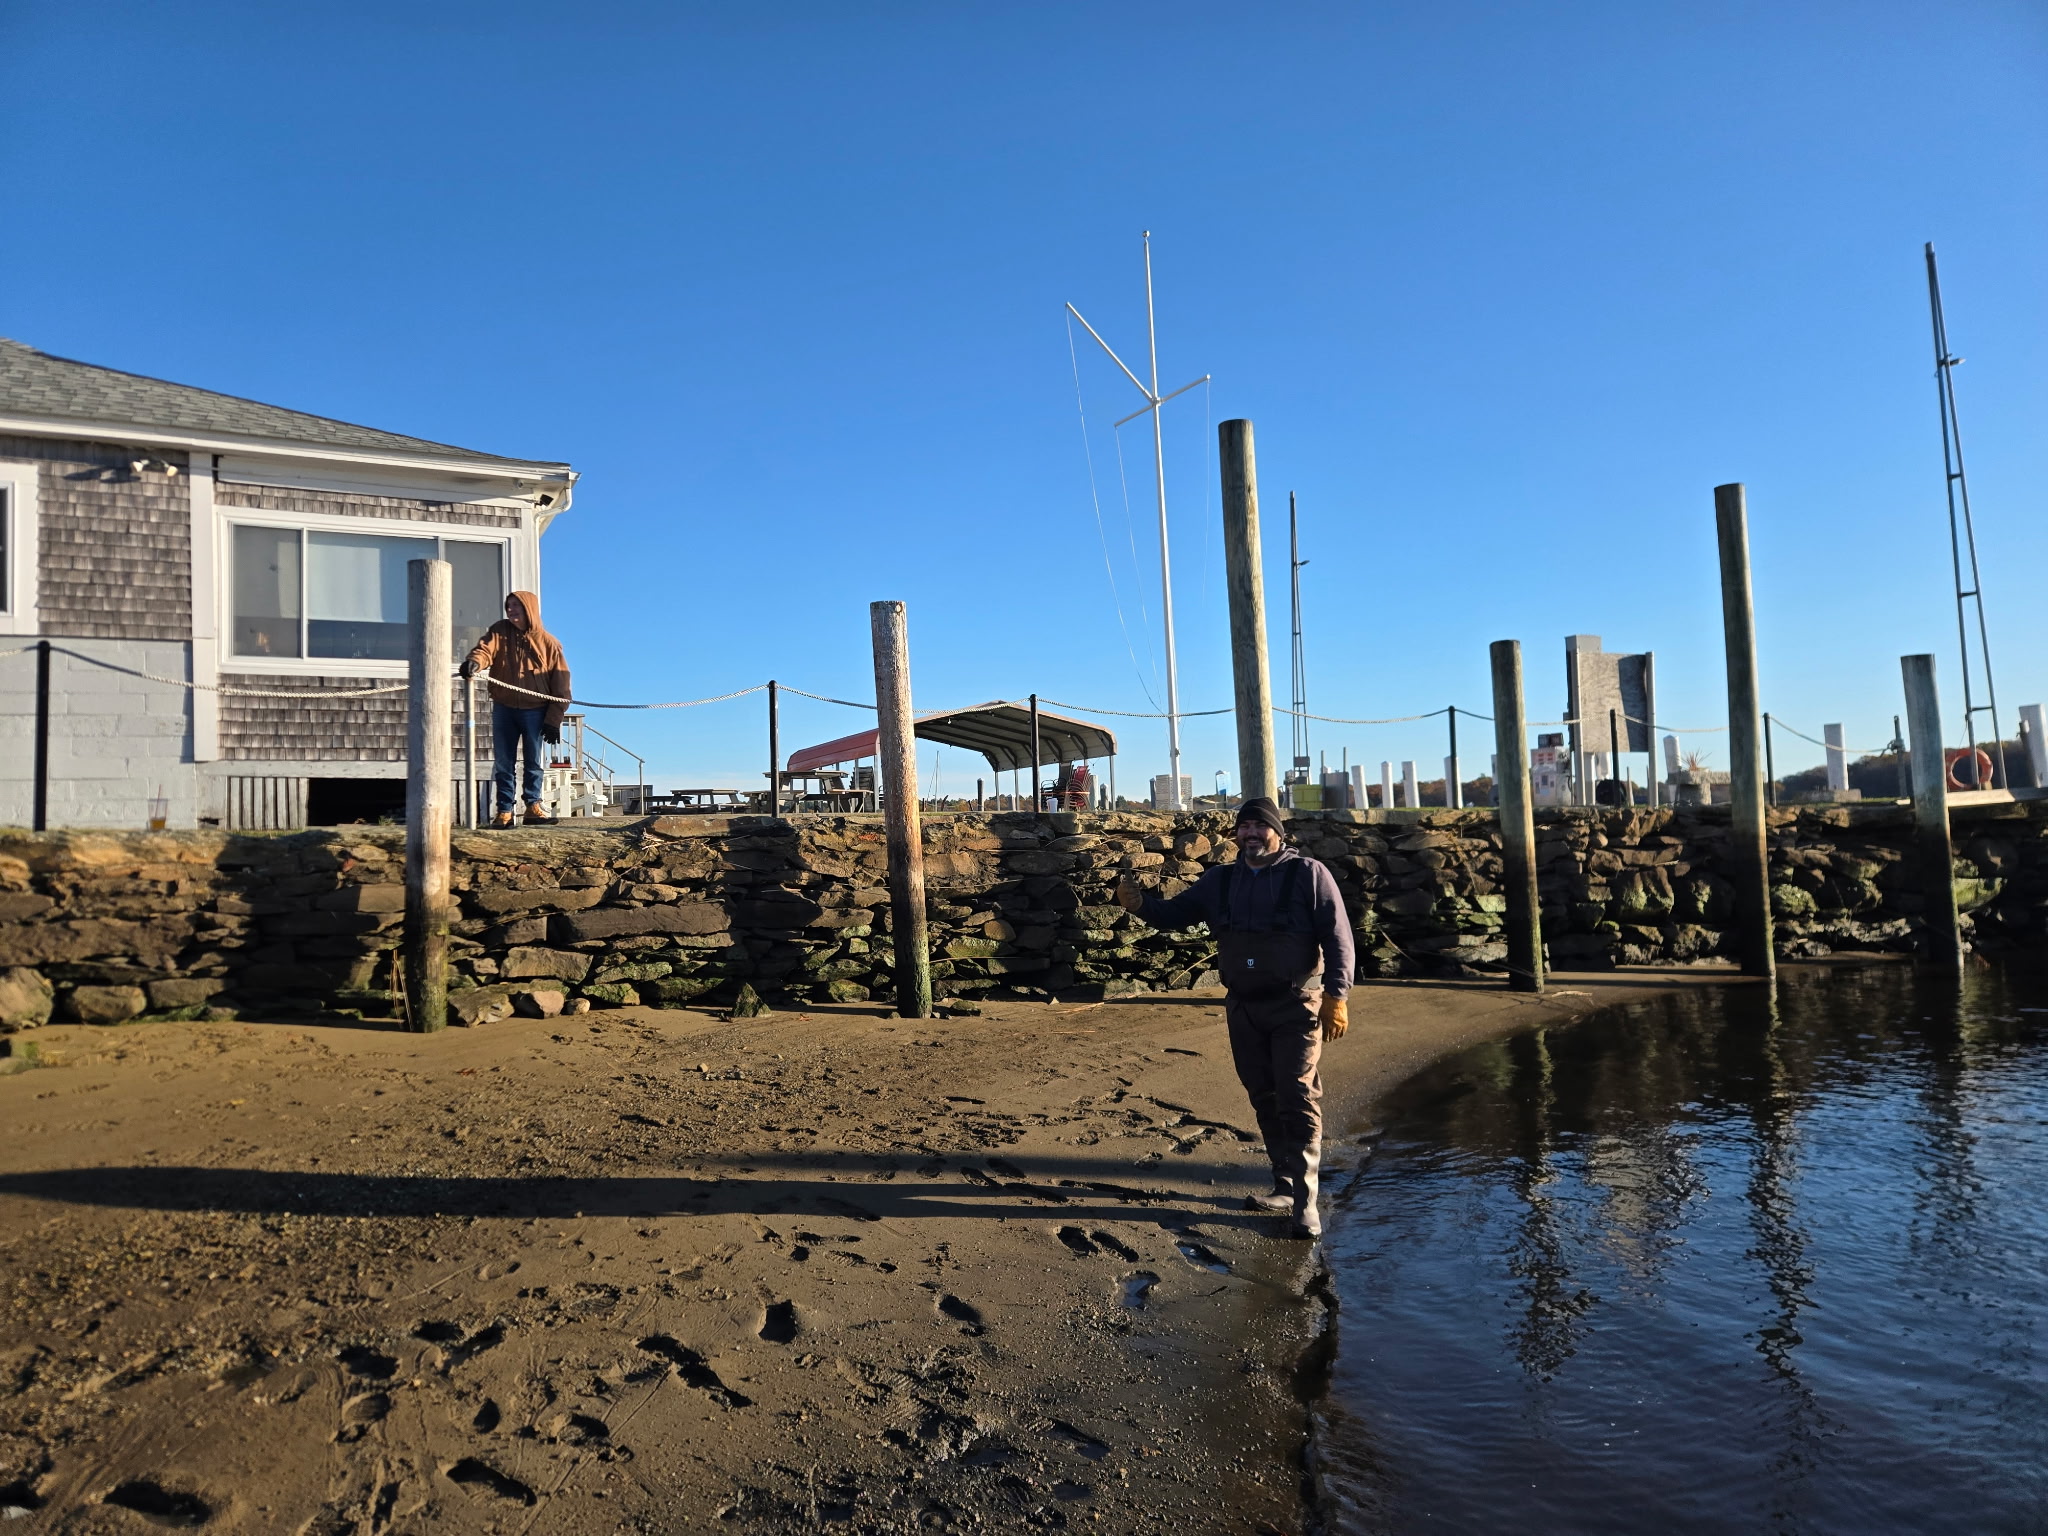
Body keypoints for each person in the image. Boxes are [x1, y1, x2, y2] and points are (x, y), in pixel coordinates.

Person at [1117, 796, 1353, 1238]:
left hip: (1296, 1004)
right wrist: (1139, 905)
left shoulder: (1308, 874)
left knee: (1296, 1095)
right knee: (1263, 1094)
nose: (1250, 834)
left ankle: (1305, 1204)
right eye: (1243, 827)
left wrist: (1337, 996)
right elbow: (1173, 915)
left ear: (1278, 832)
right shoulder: (1220, 880)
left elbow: (1338, 936)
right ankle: (1284, 1185)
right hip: (1243, 1006)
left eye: (1259, 826)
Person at [460, 590, 572, 828]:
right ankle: (504, 811)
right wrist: (474, 662)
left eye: (516, 605)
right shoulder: (499, 631)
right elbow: (485, 650)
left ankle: (533, 807)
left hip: (535, 710)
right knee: (503, 761)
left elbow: (562, 687)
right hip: (504, 707)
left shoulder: (550, 644)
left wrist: (553, 720)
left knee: (534, 761)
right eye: (508, 605)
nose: (511, 610)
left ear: (529, 608)